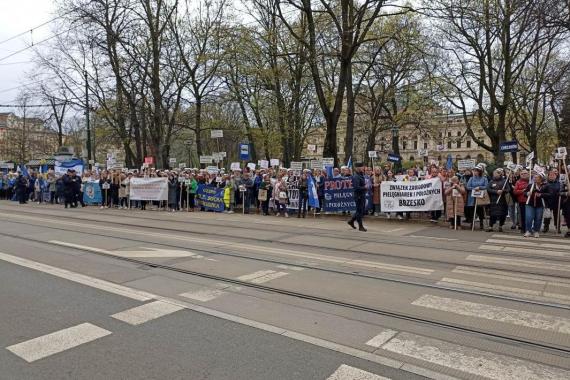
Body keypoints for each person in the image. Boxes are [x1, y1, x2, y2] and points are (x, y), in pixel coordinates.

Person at [524, 172, 547, 237]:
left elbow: (549, 194)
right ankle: (528, 230)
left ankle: (536, 231)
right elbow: (524, 193)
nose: (535, 178)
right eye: (534, 177)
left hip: (540, 205)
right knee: (529, 217)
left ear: (541, 179)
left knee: (538, 218)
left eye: (536, 177)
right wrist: (527, 193)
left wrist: (541, 194)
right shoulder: (530, 185)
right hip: (530, 204)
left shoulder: (545, 186)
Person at [466, 164, 488, 230]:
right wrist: (474, 188)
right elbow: (468, 187)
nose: (475, 172)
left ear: (479, 171)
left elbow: (486, 186)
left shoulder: (484, 178)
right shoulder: (471, 178)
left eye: (476, 171)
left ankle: (481, 223)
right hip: (472, 197)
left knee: (480, 210)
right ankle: (472, 223)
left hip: (480, 196)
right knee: (472, 210)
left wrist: (480, 187)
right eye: (474, 171)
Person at [348, 162, 367, 232]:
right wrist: (364, 187)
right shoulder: (356, 176)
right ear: (358, 168)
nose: (363, 168)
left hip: (362, 195)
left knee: (360, 211)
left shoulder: (360, 175)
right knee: (359, 211)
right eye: (362, 167)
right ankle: (360, 226)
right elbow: (356, 187)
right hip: (358, 196)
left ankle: (351, 221)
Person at [513, 169, 530, 234]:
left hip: (530, 201)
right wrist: (522, 191)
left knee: (529, 216)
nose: (523, 175)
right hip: (522, 201)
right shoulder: (518, 182)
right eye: (522, 174)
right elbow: (515, 191)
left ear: (528, 174)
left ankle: (530, 228)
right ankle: (523, 228)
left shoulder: (531, 181)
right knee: (523, 215)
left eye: (525, 173)